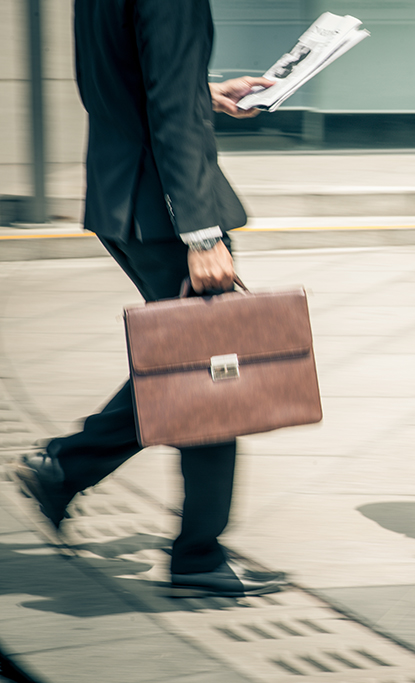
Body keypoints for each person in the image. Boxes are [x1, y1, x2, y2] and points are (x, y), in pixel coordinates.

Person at [13, 0, 282, 597]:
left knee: (187, 366)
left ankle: (66, 469)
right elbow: (167, 110)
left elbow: (124, 77)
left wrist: (201, 90)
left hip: (121, 196)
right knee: (213, 375)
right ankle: (197, 557)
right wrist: (203, 233)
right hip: (163, 210)